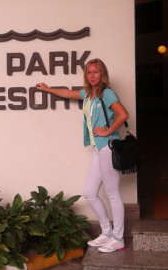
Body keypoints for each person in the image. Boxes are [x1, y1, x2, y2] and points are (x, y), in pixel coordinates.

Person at [36, 58, 129, 253]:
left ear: (102, 74)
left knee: (113, 193)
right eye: (89, 72)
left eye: (95, 72)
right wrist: (47, 89)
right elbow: (68, 93)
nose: (92, 76)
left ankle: (118, 238)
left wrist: (107, 131)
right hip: (98, 149)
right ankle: (106, 232)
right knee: (89, 193)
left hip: (108, 147)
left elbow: (123, 114)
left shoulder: (107, 93)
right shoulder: (88, 93)